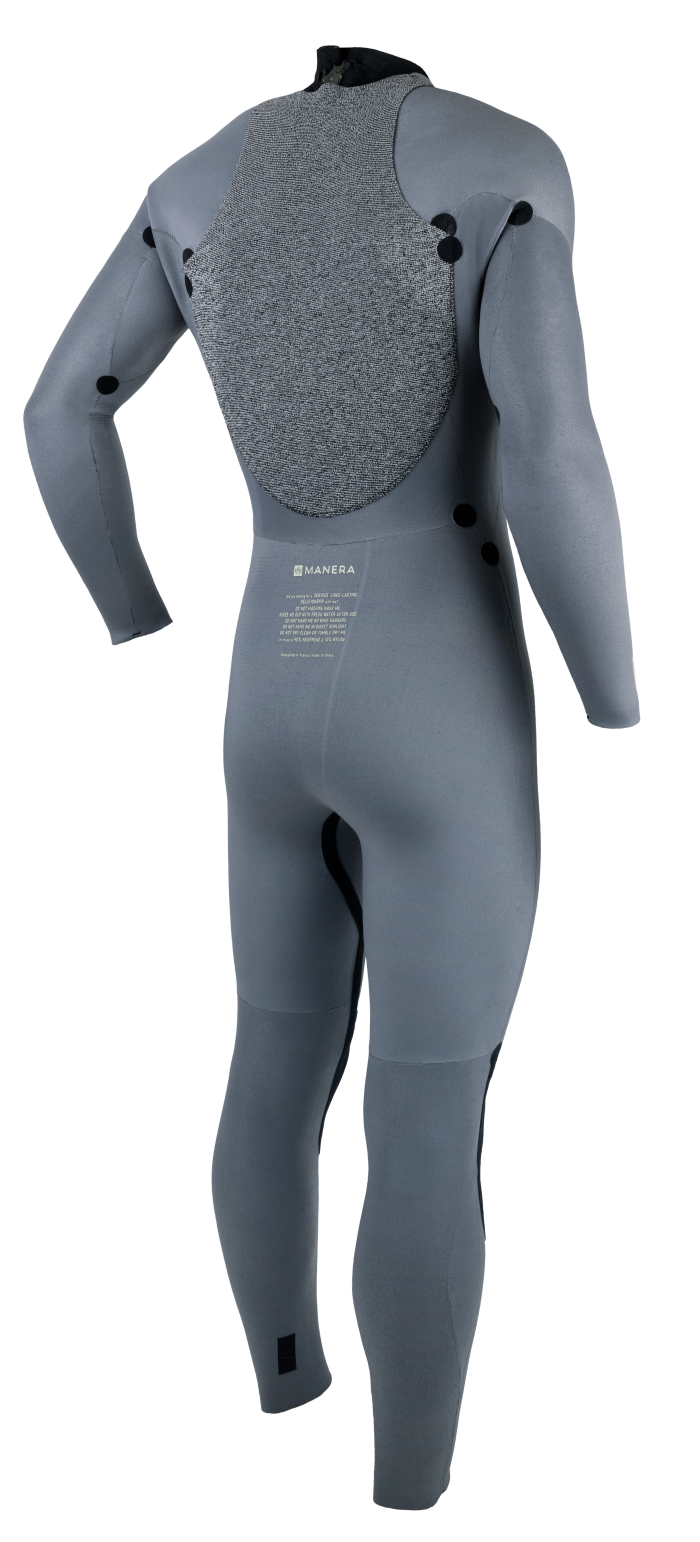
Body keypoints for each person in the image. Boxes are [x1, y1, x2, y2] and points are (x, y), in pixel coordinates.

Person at [21, 42, 640, 1511]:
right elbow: (554, 451)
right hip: (439, 693)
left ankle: (283, 1377)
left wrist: (132, 613)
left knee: (271, 1060)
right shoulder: (505, 159)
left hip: (267, 686)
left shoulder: (190, 182)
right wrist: (613, 695)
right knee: (424, 1116)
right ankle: (409, 1484)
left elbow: (58, 410)